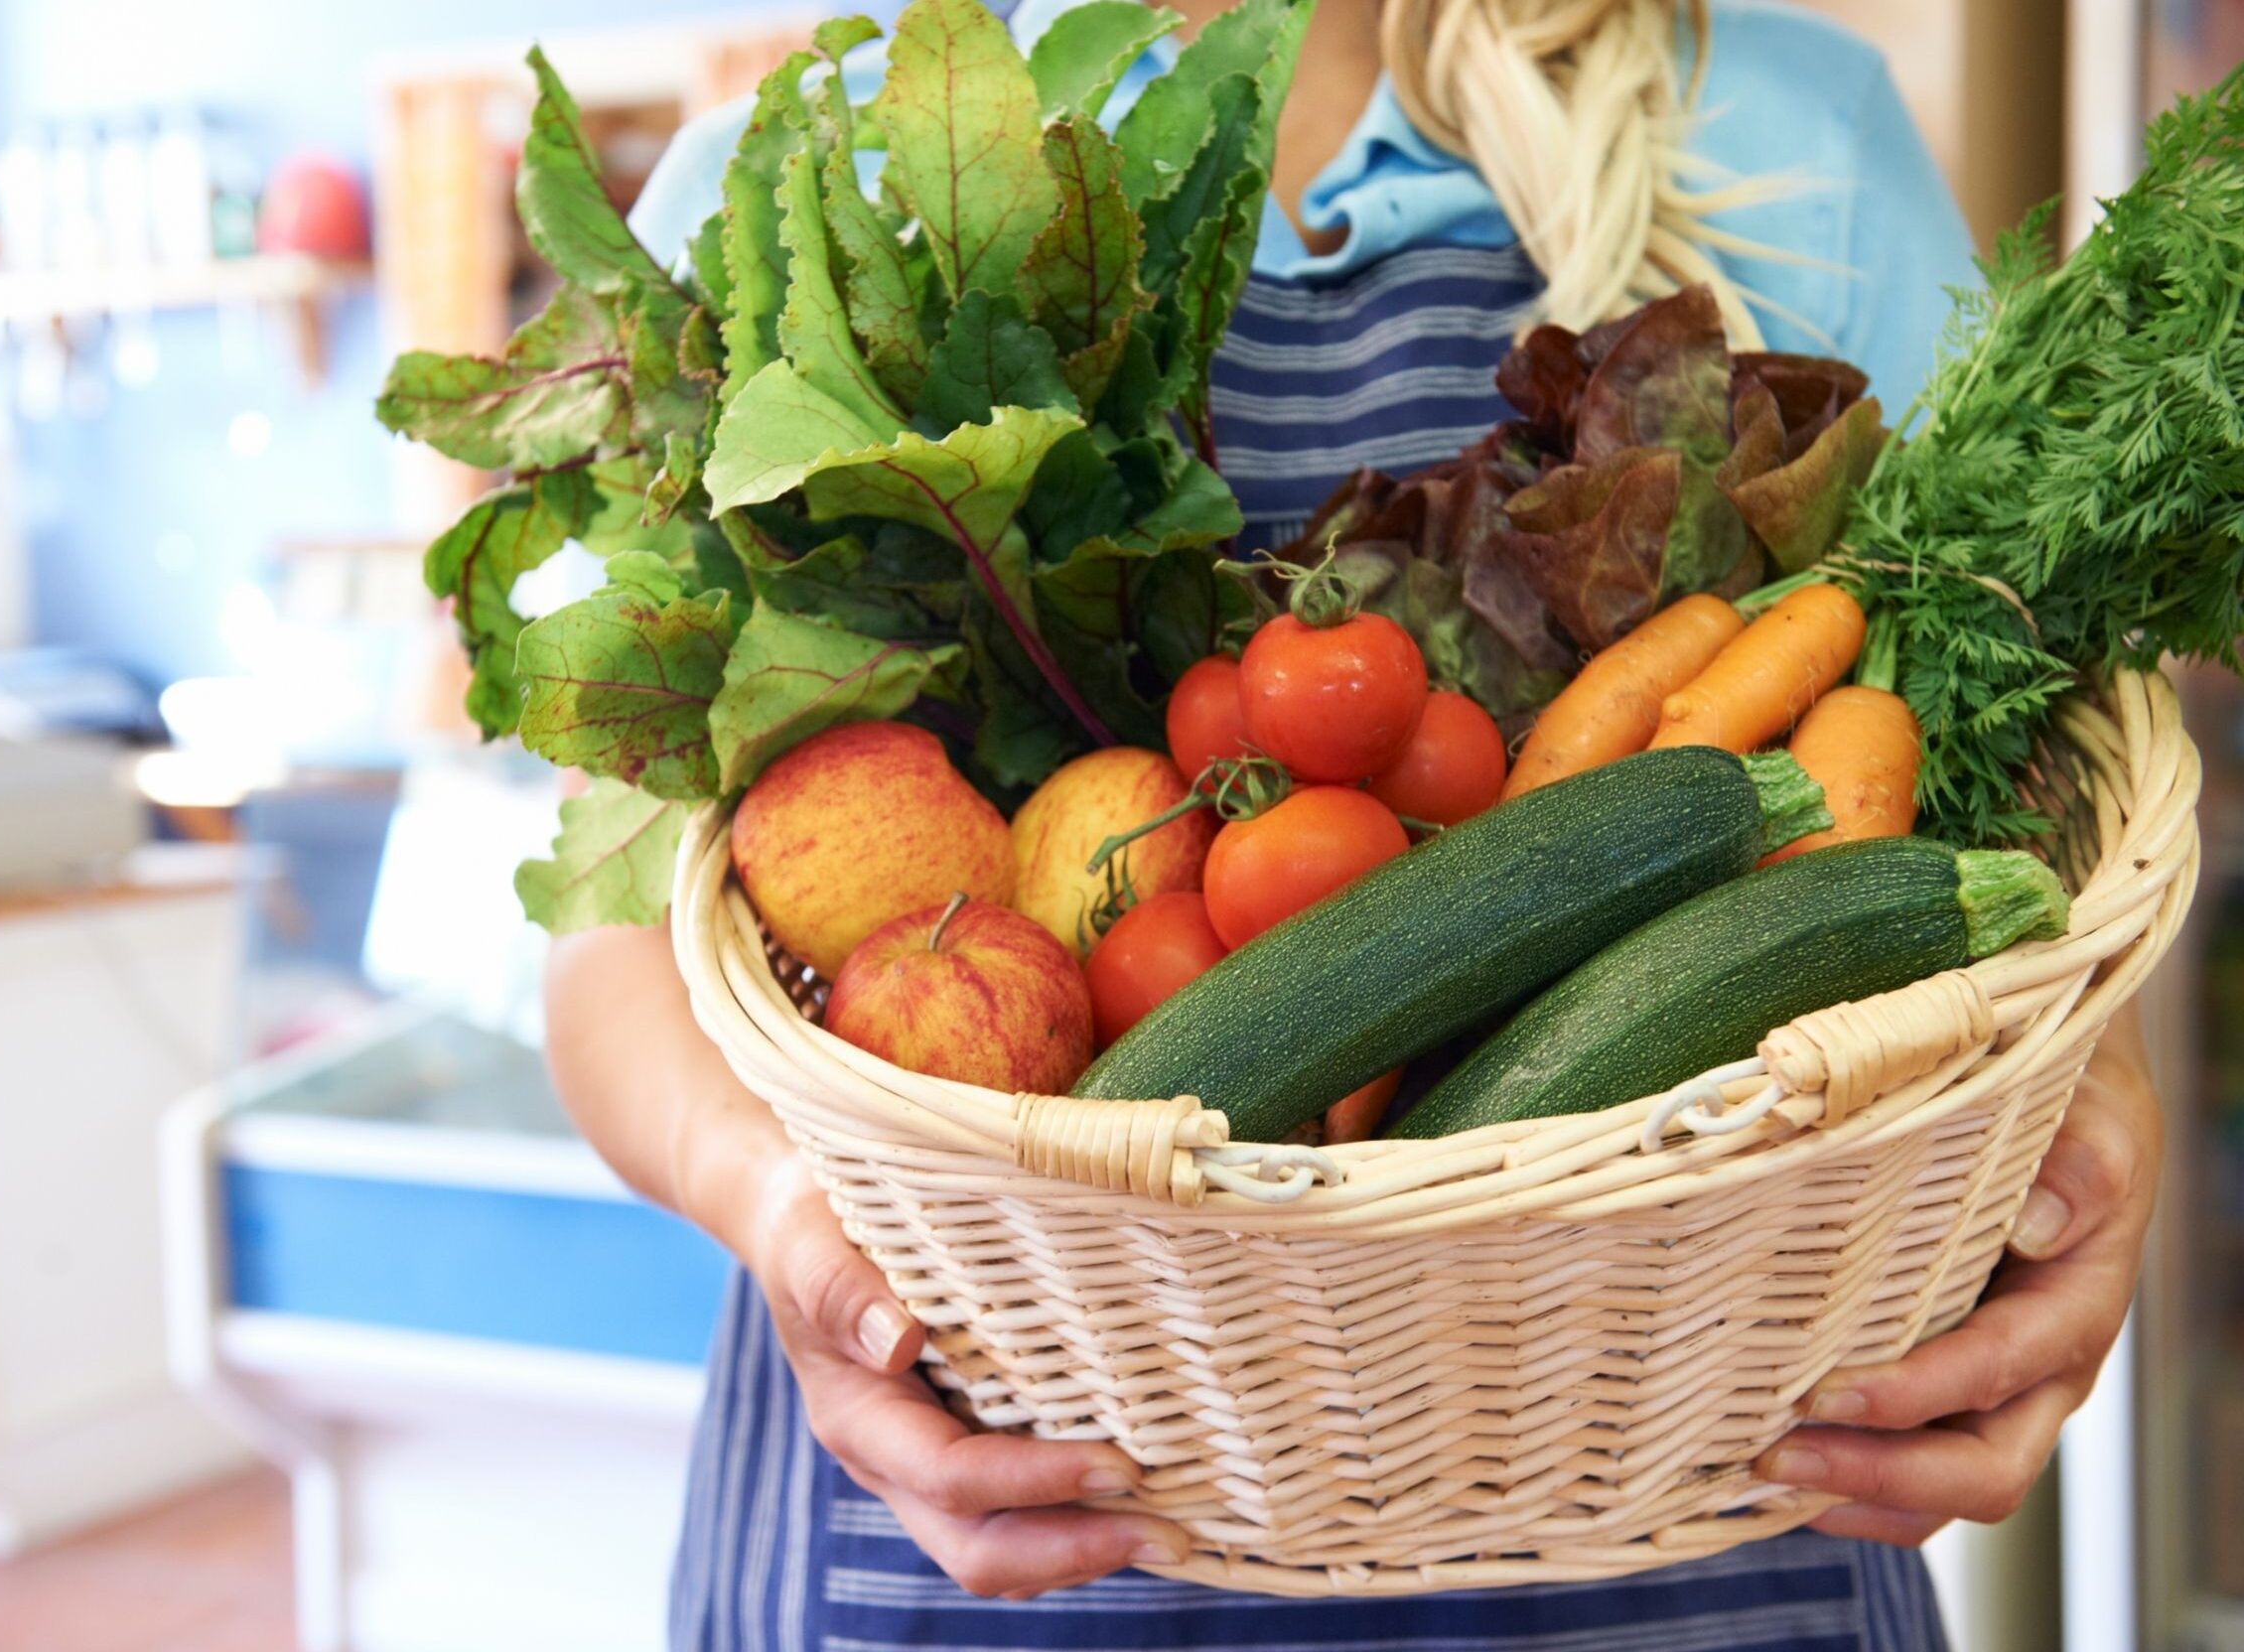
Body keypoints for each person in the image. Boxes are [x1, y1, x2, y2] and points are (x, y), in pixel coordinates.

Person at [547, 2, 2168, 1645]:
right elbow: (611, 938)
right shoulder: (816, 167)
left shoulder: (1788, 139)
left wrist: (2091, 1117)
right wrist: (792, 1230)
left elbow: (2040, 794)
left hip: (1696, 1503)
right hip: (977, 1511)